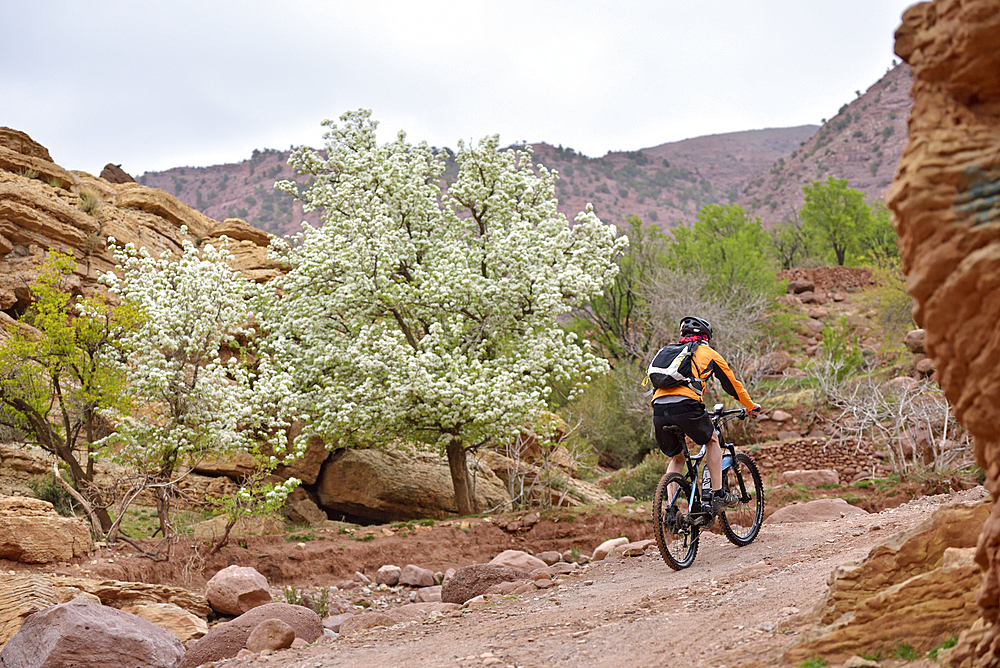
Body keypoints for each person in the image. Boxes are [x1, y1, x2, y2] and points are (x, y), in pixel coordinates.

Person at [650, 316, 760, 515]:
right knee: (712, 440)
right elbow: (731, 384)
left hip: (659, 409)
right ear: (705, 337)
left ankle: (670, 510)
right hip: (687, 406)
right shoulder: (708, 353)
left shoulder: (668, 353)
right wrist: (750, 405)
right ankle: (718, 494)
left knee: (677, 457)